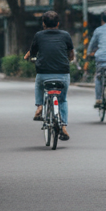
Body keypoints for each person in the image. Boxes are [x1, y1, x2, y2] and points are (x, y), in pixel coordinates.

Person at [24, 11, 74, 140]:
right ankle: (63, 126)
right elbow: (71, 54)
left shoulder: (39, 35)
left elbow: (33, 51)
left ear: (43, 24)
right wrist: (69, 60)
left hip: (43, 73)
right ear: (58, 23)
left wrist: (28, 57)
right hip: (63, 73)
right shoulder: (66, 35)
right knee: (62, 100)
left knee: (39, 84)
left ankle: (39, 105)